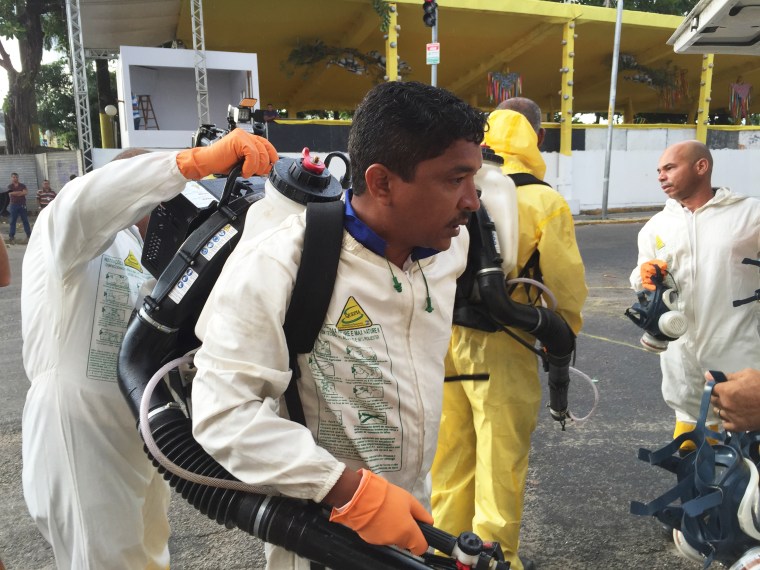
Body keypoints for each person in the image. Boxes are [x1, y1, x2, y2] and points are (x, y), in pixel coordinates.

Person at [190, 80, 486, 569]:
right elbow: (223, 415)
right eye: (455, 180)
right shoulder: (282, 264)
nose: (472, 201)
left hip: (411, 513)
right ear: (382, 182)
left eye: (474, 177)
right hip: (320, 536)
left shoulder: (449, 250)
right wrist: (346, 489)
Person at [21, 130, 278, 569]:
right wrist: (189, 163)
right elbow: (89, 201)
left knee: (146, 550)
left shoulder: (145, 256)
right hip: (77, 424)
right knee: (103, 558)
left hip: (136, 420)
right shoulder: (66, 234)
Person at [430, 97, 587, 570]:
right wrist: (560, 339)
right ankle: (496, 560)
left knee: (450, 456)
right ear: (536, 138)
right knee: (500, 461)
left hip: (443, 340)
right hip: (503, 344)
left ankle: (446, 554)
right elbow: (565, 289)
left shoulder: (454, 183)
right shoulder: (544, 200)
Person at [631, 140, 760, 447]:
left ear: (701, 167)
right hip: (682, 379)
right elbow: (640, 278)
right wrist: (644, 278)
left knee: (745, 480)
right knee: (694, 476)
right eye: (659, 171)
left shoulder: (750, 215)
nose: (661, 176)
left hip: (741, 377)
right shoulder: (656, 226)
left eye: (670, 168)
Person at [7, 172, 32, 243]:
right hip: (13, 205)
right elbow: (10, 193)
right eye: (13, 177)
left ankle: (28, 235)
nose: (15, 178)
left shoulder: (22, 185)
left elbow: (25, 192)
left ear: (18, 178)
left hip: (22, 205)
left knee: (25, 220)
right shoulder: (10, 186)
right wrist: (20, 193)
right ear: (11, 178)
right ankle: (11, 236)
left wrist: (16, 193)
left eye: (16, 177)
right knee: (12, 221)